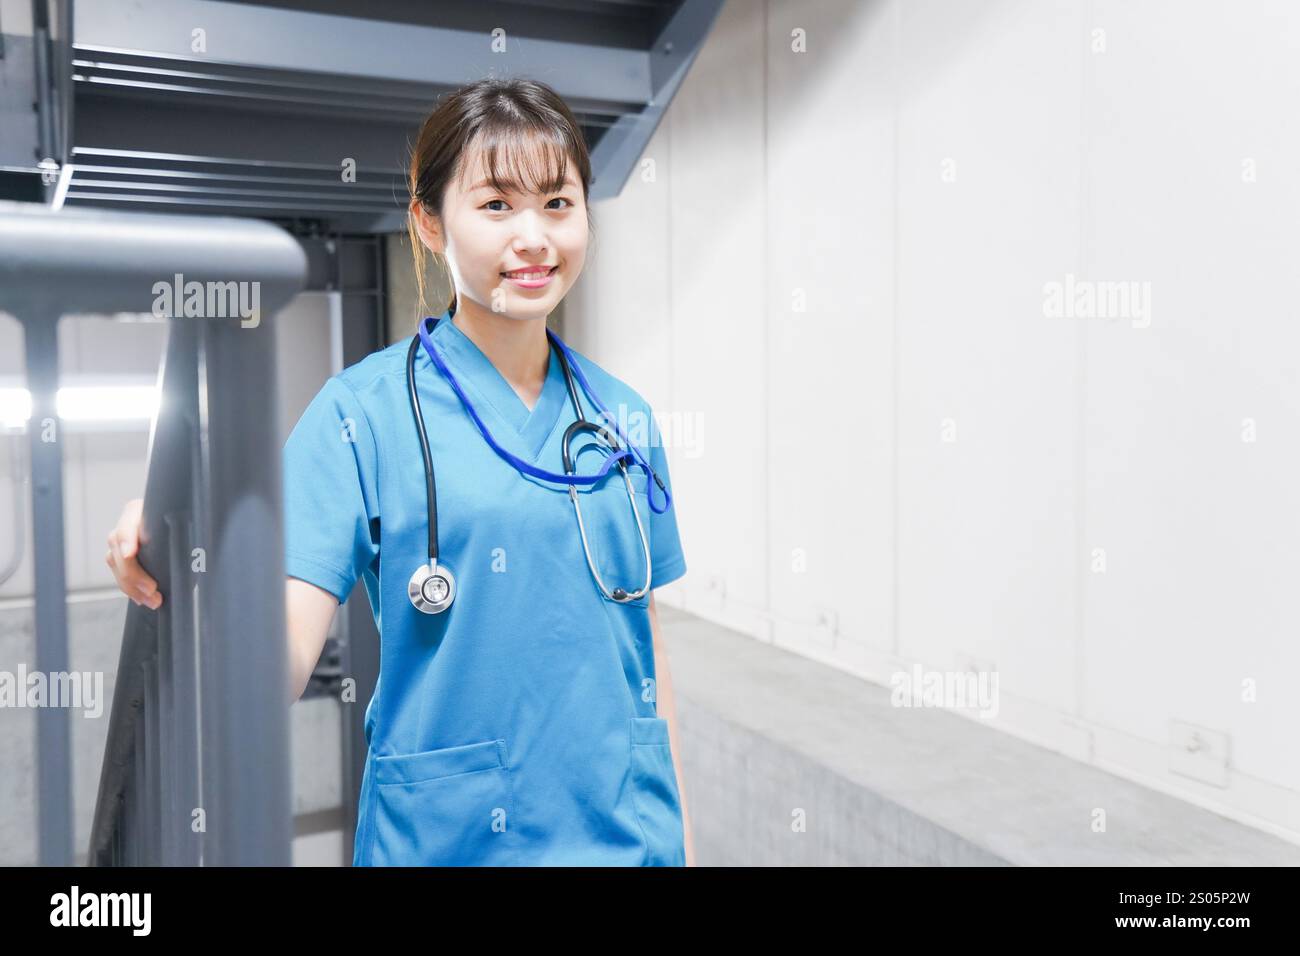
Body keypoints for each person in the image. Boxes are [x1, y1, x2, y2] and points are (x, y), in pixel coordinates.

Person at [104, 77, 693, 866]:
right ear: (427, 222)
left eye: (558, 203)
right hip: (448, 843)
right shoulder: (361, 415)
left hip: (629, 843)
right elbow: (273, 666)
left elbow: (646, 650)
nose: (534, 237)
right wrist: (189, 541)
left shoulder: (625, 418)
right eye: (495, 205)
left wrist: (683, 844)